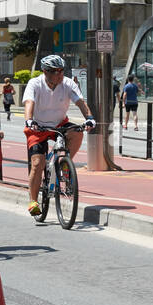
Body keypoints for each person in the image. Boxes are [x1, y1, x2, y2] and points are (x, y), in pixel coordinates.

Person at [23, 54, 94, 218]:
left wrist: (89, 119)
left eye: (62, 70)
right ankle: (33, 201)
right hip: (38, 126)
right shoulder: (35, 83)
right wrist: (29, 120)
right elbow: (29, 103)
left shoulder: (68, 84)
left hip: (60, 123)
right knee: (37, 163)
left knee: (77, 132)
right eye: (55, 71)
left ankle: (63, 163)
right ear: (45, 72)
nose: (59, 74)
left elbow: (81, 103)